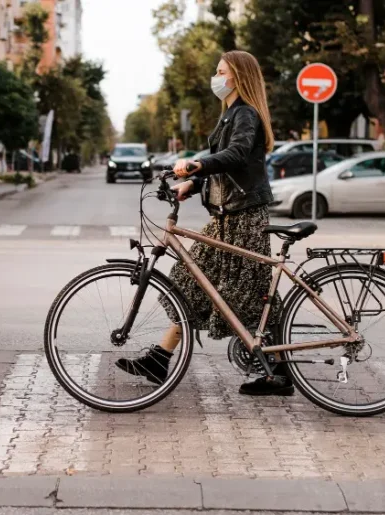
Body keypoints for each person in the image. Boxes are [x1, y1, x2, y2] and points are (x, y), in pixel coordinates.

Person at [115, 50, 292, 396]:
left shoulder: (245, 113)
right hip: (226, 216)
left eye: (222, 71)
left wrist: (197, 164)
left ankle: (279, 371)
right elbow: (229, 168)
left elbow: (237, 154)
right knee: (191, 282)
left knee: (251, 293)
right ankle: (159, 359)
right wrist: (193, 183)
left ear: (239, 76)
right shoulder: (231, 114)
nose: (217, 77)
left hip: (244, 218)